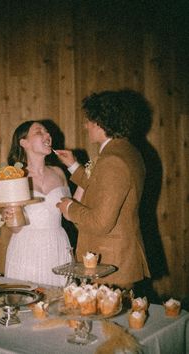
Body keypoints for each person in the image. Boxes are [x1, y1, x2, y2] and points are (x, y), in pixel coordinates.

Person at [56, 90, 151, 291]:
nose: (85, 126)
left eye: (88, 120)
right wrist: (73, 165)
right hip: (118, 256)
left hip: (110, 264)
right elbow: (103, 186)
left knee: (107, 321)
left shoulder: (112, 160)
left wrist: (69, 208)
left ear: (100, 123)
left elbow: (101, 222)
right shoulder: (126, 151)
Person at [4, 120, 71, 286]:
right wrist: (9, 216)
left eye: (47, 132)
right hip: (27, 247)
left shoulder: (59, 172)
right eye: (39, 132)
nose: (47, 135)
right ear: (23, 142)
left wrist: (85, 178)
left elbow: (71, 212)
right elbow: (15, 227)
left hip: (58, 244)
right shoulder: (15, 176)